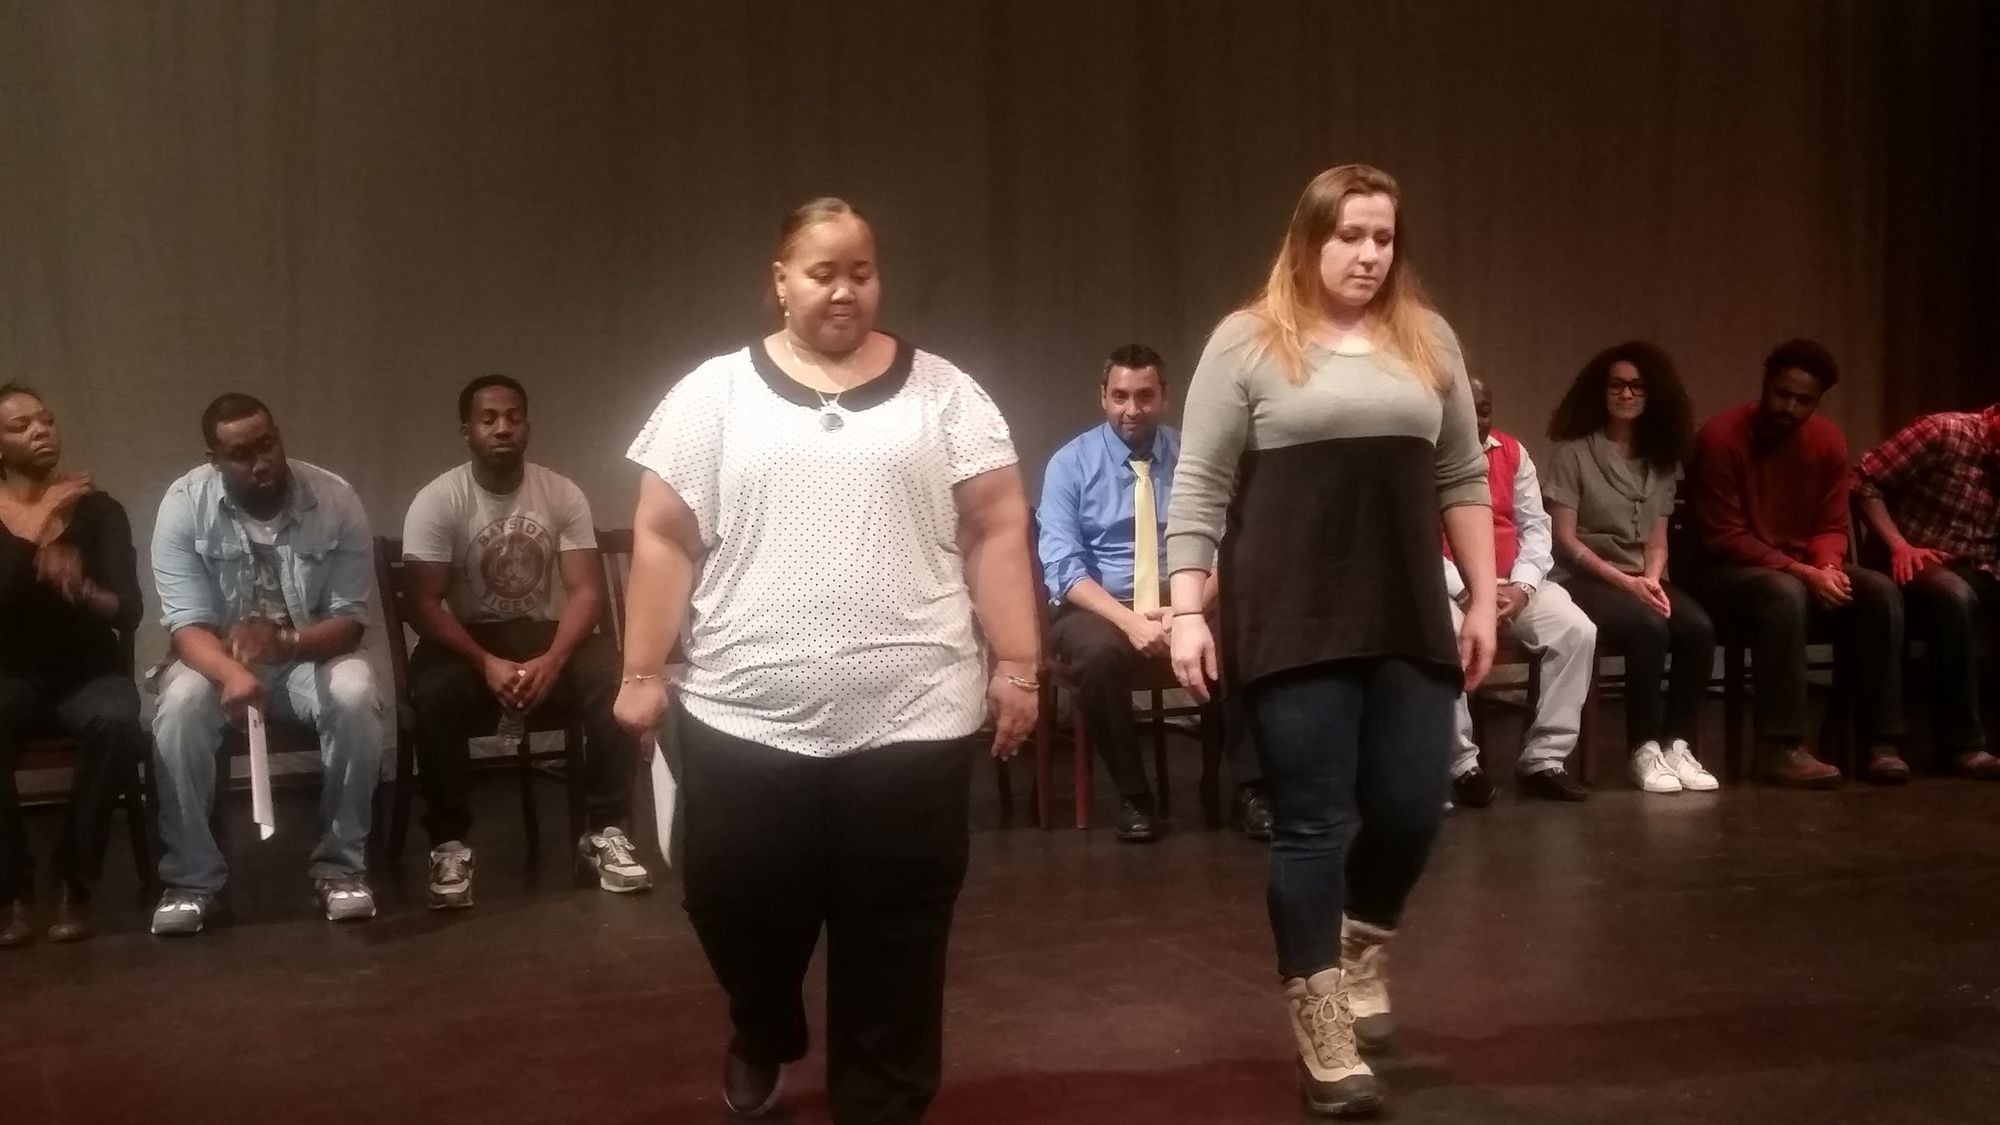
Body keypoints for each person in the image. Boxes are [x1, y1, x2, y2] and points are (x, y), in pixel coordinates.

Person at [612, 198, 1039, 1124]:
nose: (845, 289)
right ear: (779, 281)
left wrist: (1017, 663)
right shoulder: (712, 395)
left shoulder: (946, 394)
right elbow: (662, 535)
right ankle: (764, 1025)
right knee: (732, 904)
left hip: (913, 715)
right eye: (822, 272)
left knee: (898, 934)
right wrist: (643, 671)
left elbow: (998, 527)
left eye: (862, 271)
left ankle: (881, 1104)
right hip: (743, 715)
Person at [1165, 164, 1496, 1118]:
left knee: (1410, 808)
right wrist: (1188, 608)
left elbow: (1462, 474)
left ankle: (1358, 942)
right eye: (1350, 235)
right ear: (1311, 240)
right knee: (1312, 821)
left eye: (1383, 237)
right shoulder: (1247, 342)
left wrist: (1480, 598)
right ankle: (1321, 1025)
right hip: (1291, 611)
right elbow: (1199, 483)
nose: (1368, 254)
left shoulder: (1425, 338)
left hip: (1403, 606)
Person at [401, 375, 648, 910]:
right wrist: (486, 661)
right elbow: (422, 604)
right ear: (466, 430)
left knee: (608, 670)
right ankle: (449, 845)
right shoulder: (438, 499)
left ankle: (605, 832)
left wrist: (554, 660)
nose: (502, 427)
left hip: (541, 636)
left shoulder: (561, 493)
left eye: (513, 417)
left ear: (527, 426)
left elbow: (586, 592)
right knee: (436, 694)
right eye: (488, 418)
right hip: (467, 641)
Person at [148, 394, 382, 934]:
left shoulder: (335, 498)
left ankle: (341, 868)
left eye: (268, 444)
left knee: (355, 690)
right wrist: (232, 673)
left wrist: (285, 643)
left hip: (305, 658)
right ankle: (192, 879)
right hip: (217, 661)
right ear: (213, 458)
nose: (261, 462)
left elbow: (349, 622)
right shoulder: (184, 505)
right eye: (240, 454)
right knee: (179, 705)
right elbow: (185, 626)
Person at [1037, 344, 1269, 841]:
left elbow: (1232, 545)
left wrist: (1187, 610)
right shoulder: (1070, 465)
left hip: (1188, 594)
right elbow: (1061, 566)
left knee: (1243, 638)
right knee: (1097, 656)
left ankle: (1250, 789)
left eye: (1145, 396)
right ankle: (1133, 797)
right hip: (1101, 606)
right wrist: (1132, 623)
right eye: (1120, 396)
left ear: (1164, 397)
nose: (1131, 410)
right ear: (1103, 397)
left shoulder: (1194, 457)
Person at [1686, 339, 1909, 786]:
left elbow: (1831, 524)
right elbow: (1726, 537)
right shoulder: (1720, 438)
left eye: (1802, 400)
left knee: (1878, 590)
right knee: (1782, 592)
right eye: (1782, 394)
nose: (1788, 407)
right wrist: (1804, 574)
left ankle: (1879, 742)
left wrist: (1826, 567)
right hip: (1723, 573)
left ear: (1817, 402)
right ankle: (1779, 746)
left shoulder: (1827, 441)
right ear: (1765, 386)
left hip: (1797, 569)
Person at [0, 384, 147, 946]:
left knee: (116, 721)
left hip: (89, 673)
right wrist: (37, 525)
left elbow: (128, 611)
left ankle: (74, 880)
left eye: (46, 420)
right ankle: (11, 888)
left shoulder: (98, 509)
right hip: (11, 675)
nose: (40, 431)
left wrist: (84, 590)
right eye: (20, 426)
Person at [1544, 342, 1718, 796]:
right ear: (1600, 392)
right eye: (1617, 385)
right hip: (1588, 577)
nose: (1626, 394)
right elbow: (1565, 538)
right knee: (1649, 629)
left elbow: (1657, 539)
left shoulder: (1661, 460)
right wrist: (1626, 582)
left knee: (1697, 627)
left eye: (1637, 386)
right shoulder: (1574, 453)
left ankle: (1677, 744)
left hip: (1642, 576)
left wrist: (1652, 579)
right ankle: (1642, 750)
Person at [1444, 377, 1597, 806]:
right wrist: (1466, 591)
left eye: (1484, 409)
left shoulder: (1512, 453)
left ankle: (1544, 760)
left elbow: (1536, 528)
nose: (1476, 419)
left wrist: (1525, 587)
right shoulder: (1425, 458)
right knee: (1442, 635)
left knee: (1576, 630)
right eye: (1464, 409)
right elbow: (1414, 540)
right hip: (1451, 587)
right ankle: (1460, 765)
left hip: (1513, 582)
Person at [1854, 401, 2000, 775]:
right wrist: (1899, 544)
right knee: (1955, 596)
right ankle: (1961, 744)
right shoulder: (1942, 432)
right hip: (1915, 558)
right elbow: (1865, 483)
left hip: (1982, 566)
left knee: (1964, 593)